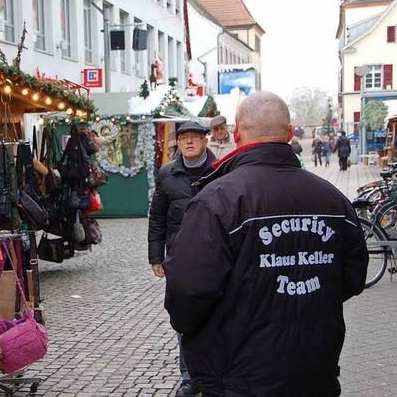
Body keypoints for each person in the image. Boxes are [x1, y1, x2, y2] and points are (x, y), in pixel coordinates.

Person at [163, 91, 368, 396]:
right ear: (289, 133)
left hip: (237, 376)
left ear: (236, 132)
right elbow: (352, 278)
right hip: (314, 369)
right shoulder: (333, 199)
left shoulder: (216, 201)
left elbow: (186, 294)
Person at [148, 121, 216, 397]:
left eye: (195, 138)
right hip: (179, 259)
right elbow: (157, 218)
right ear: (177, 143)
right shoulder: (167, 174)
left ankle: (214, 373)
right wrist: (156, 256)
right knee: (184, 317)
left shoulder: (220, 171)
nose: (189, 142)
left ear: (204, 141)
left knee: (217, 316)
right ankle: (189, 377)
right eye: (184, 138)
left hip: (215, 256)